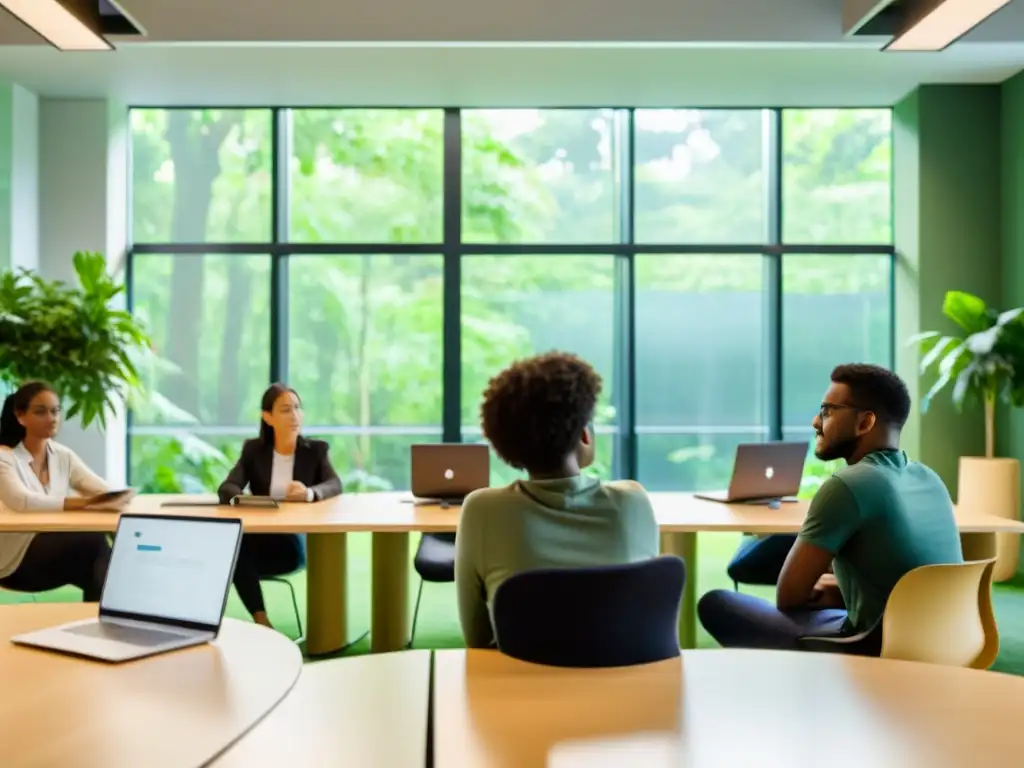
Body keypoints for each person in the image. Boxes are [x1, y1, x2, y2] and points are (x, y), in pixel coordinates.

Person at [697, 364, 964, 651]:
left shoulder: (849, 484)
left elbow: (789, 597)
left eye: (827, 411)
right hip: (945, 641)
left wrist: (830, 590)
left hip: (875, 645)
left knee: (717, 603)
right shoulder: (930, 478)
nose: (815, 421)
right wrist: (839, 590)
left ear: (865, 423)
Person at [454, 351, 660, 649]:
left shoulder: (482, 510)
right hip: (622, 685)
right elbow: (648, 616)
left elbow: (477, 638)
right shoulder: (633, 502)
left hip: (522, 687)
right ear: (584, 436)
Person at [219, 383, 342, 629]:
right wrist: (250, 502)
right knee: (232, 547)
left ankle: (260, 625)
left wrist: (309, 493)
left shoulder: (315, 450)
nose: (294, 415)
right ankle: (262, 621)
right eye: (286, 410)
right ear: (268, 417)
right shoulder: (254, 450)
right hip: (259, 540)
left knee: (233, 553)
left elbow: (335, 483)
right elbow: (227, 488)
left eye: (297, 408)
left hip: (293, 545)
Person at [0, 381, 130, 601]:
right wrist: (79, 503)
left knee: (104, 566)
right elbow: (21, 501)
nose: (51, 418)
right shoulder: (5, 457)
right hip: (11, 561)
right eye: (41, 412)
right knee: (94, 545)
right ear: (20, 417)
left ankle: (99, 626)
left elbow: (100, 490)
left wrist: (118, 497)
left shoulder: (62, 456)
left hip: (51, 551)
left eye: (55, 411)